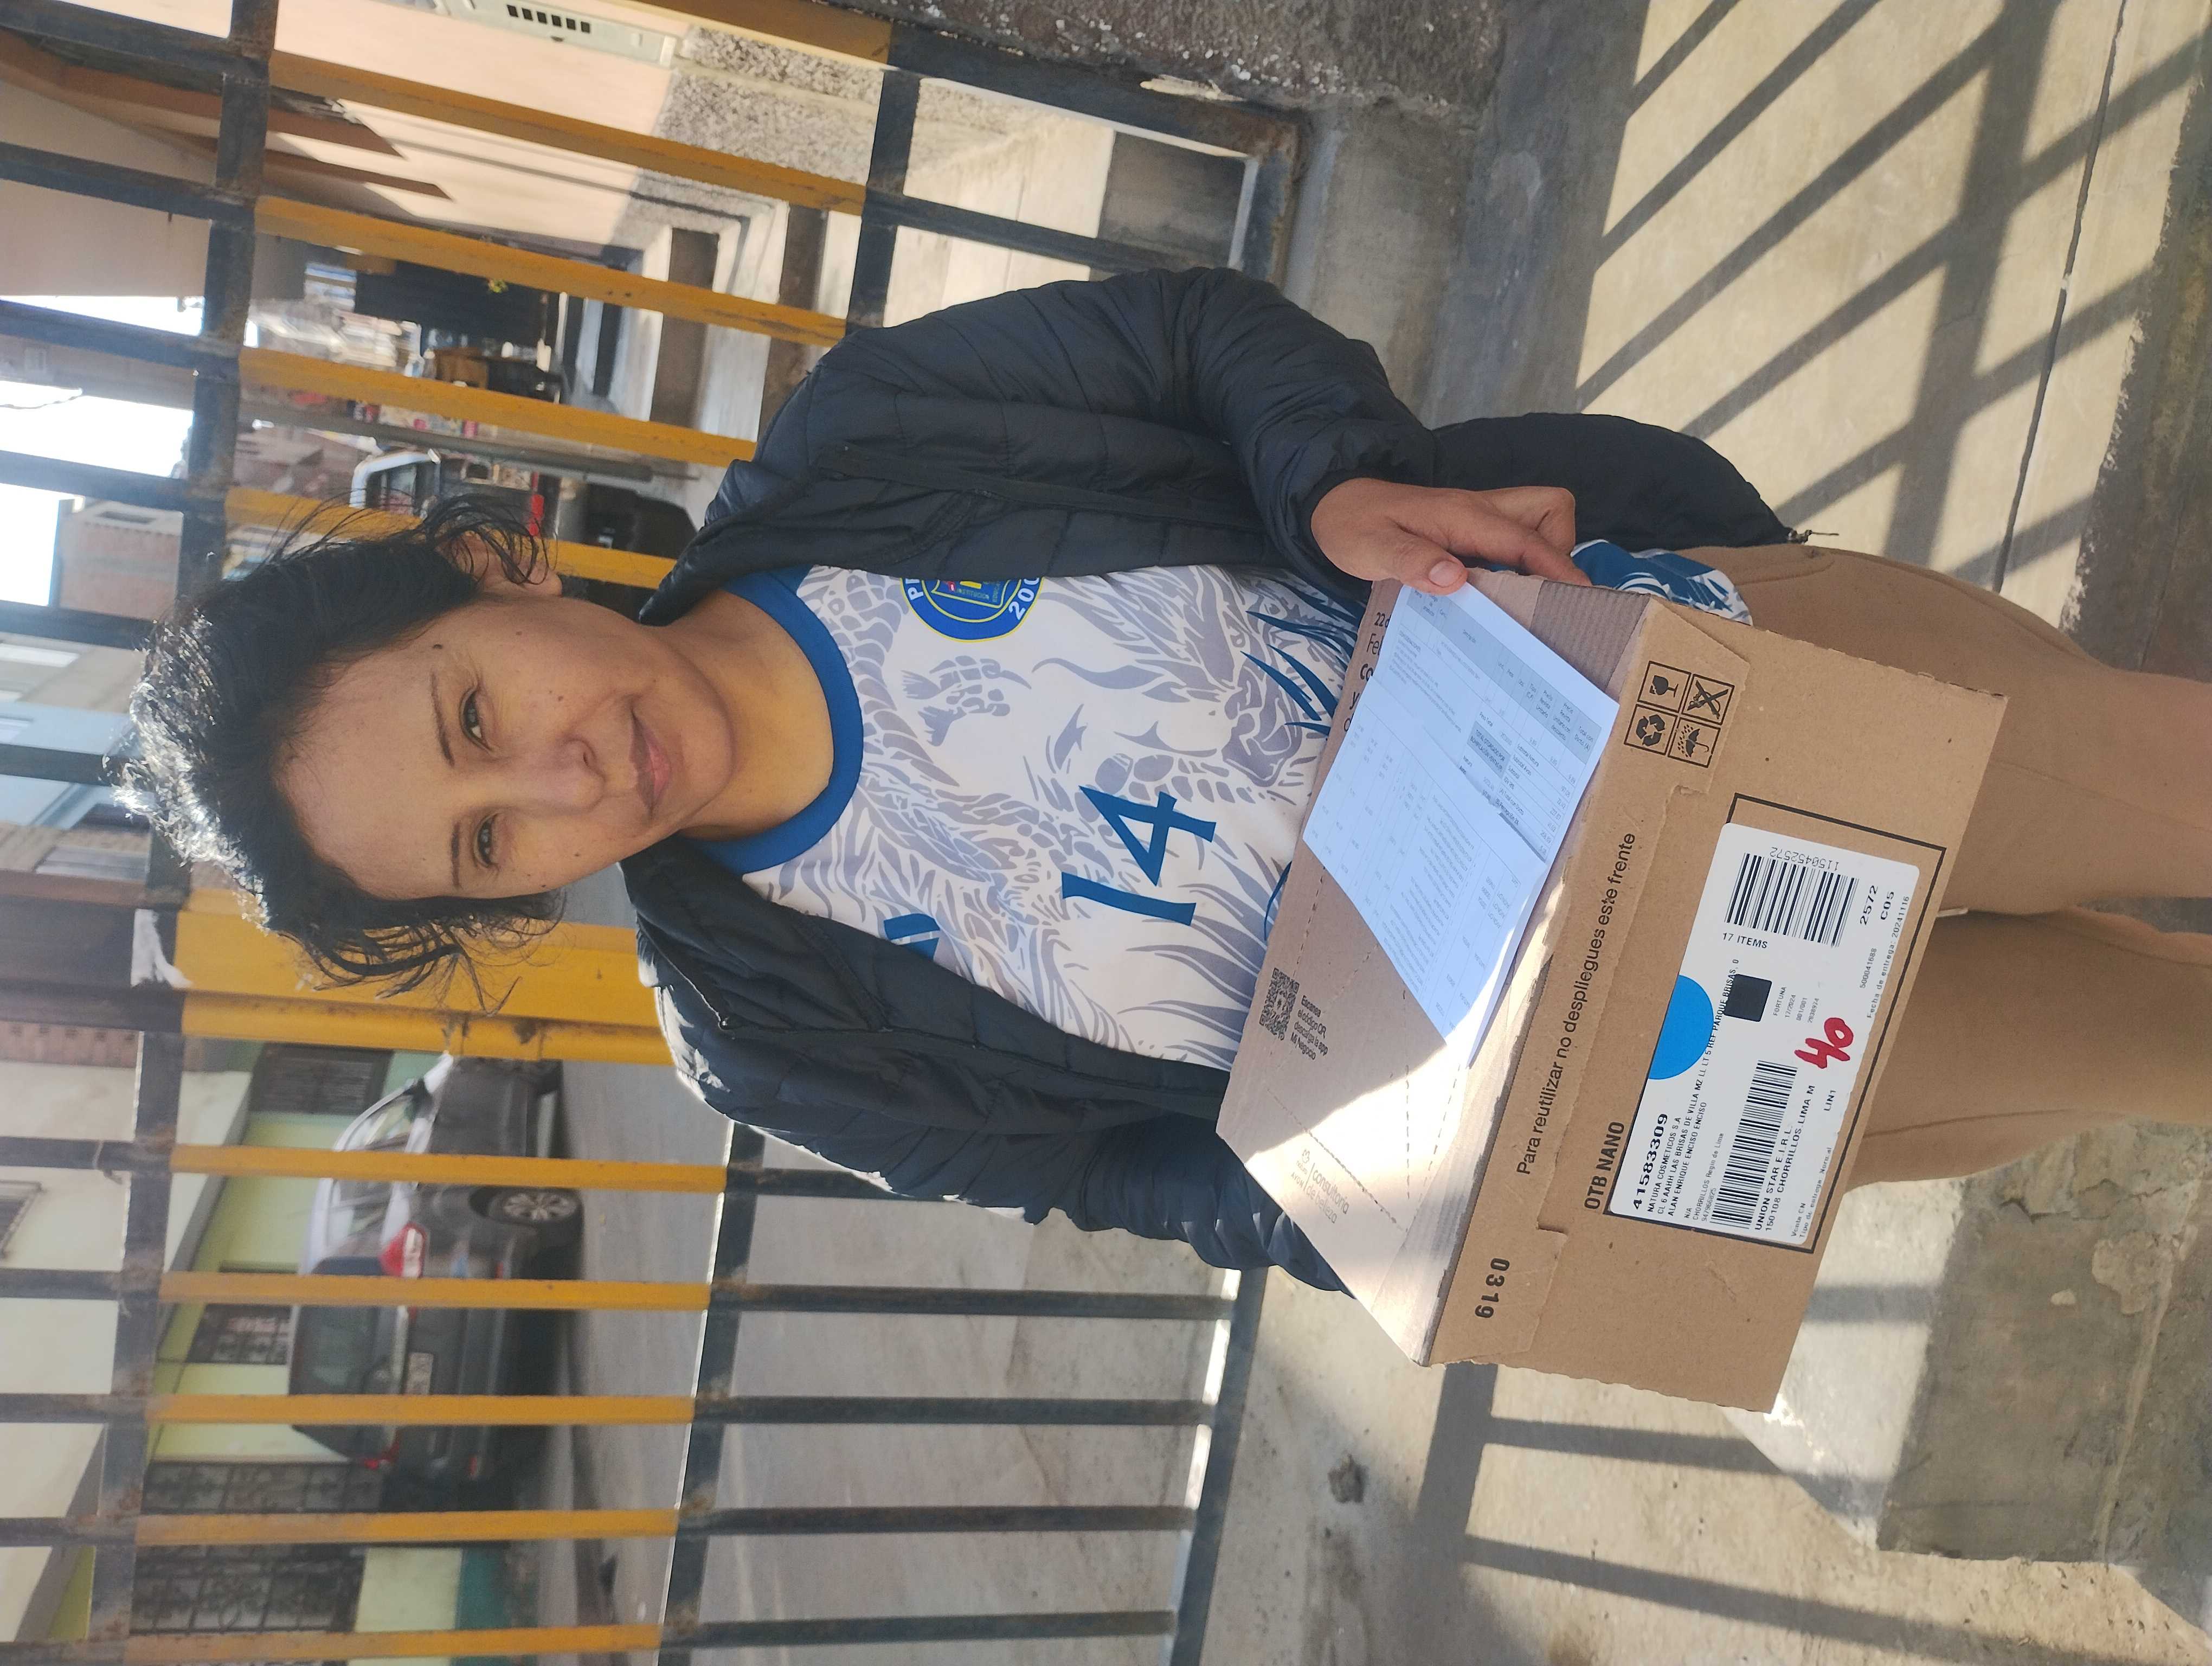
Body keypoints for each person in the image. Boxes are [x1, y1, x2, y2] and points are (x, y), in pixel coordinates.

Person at [123, 268, 2211, 1290]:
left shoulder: (876, 445)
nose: (569, 780)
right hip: (1652, 1053)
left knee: (2158, 789)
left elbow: (1194, 342)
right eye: (492, 841)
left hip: (1672, 690)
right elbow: (1122, 1169)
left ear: (491, 571)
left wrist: (1337, 485)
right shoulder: (769, 1038)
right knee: (2157, 1047)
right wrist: (1380, 1214)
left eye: (475, 717)